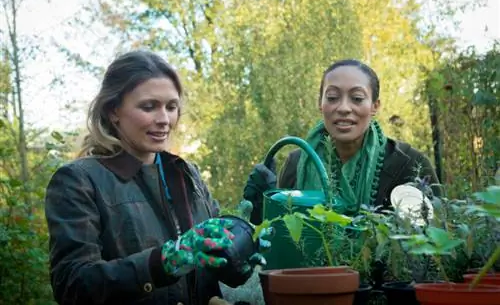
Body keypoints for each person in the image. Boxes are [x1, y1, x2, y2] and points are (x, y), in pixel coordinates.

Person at [45, 50, 264, 305]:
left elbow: (207, 266)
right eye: (149, 107)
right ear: (113, 110)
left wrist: (243, 246)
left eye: (171, 107)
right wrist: (163, 262)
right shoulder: (78, 181)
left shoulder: (186, 174)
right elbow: (72, 286)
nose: (164, 119)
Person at [244, 59, 441, 224]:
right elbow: (278, 237)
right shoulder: (297, 163)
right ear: (320, 104)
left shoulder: (408, 164)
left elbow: (432, 238)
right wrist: (263, 206)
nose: (344, 108)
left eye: (356, 98)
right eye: (332, 97)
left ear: (374, 106)